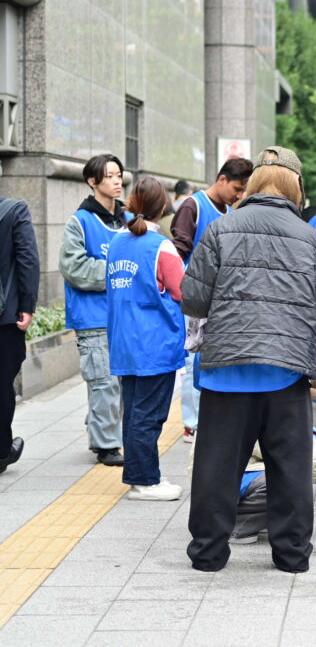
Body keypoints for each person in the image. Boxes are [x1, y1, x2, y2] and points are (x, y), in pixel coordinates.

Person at [182, 146, 316, 574]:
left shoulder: (221, 228)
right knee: (290, 467)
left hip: (227, 371)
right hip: (285, 371)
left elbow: (193, 297)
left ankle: (208, 553)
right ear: (295, 186)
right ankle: (291, 556)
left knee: (216, 467)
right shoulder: (309, 237)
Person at [106, 177, 186, 501]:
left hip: (123, 341)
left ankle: (140, 476)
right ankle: (145, 481)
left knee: (134, 413)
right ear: (163, 206)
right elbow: (183, 291)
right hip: (155, 343)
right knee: (149, 415)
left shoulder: (116, 243)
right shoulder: (161, 247)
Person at [171, 157, 253, 443]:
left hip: (220, 300)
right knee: (193, 359)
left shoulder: (230, 211)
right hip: (194, 299)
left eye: (243, 191)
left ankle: (207, 418)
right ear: (221, 179)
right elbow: (177, 253)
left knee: (209, 359)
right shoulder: (193, 206)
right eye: (237, 188)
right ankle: (191, 424)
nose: (239, 195)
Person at [59, 154, 129, 467]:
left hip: (125, 315)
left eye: (119, 175)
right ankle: (106, 445)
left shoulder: (128, 219)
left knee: (121, 382)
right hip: (93, 317)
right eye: (109, 176)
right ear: (92, 181)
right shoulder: (80, 222)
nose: (117, 181)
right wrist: (119, 272)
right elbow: (73, 268)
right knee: (103, 381)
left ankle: (104, 429)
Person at [0, 193, 39, 475]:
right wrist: (26, 305)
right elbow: (28, 259)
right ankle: (2, 450)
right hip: (6, 317)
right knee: (2, 382)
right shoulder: (14, 211)